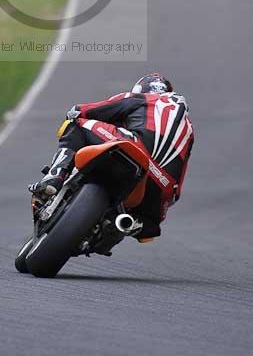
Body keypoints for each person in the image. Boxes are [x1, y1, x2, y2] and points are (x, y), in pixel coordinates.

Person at [30, 73, 194, 242]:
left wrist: (75, 112)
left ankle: (54, 177)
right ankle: (124, 225)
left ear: (142, 89)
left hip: (135, 148)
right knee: (149, 229)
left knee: (75, 124)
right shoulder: (189, 130)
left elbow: (83, 111)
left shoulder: (141, 98)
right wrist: (164, 205)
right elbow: (180, 174)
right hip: (162, 185)